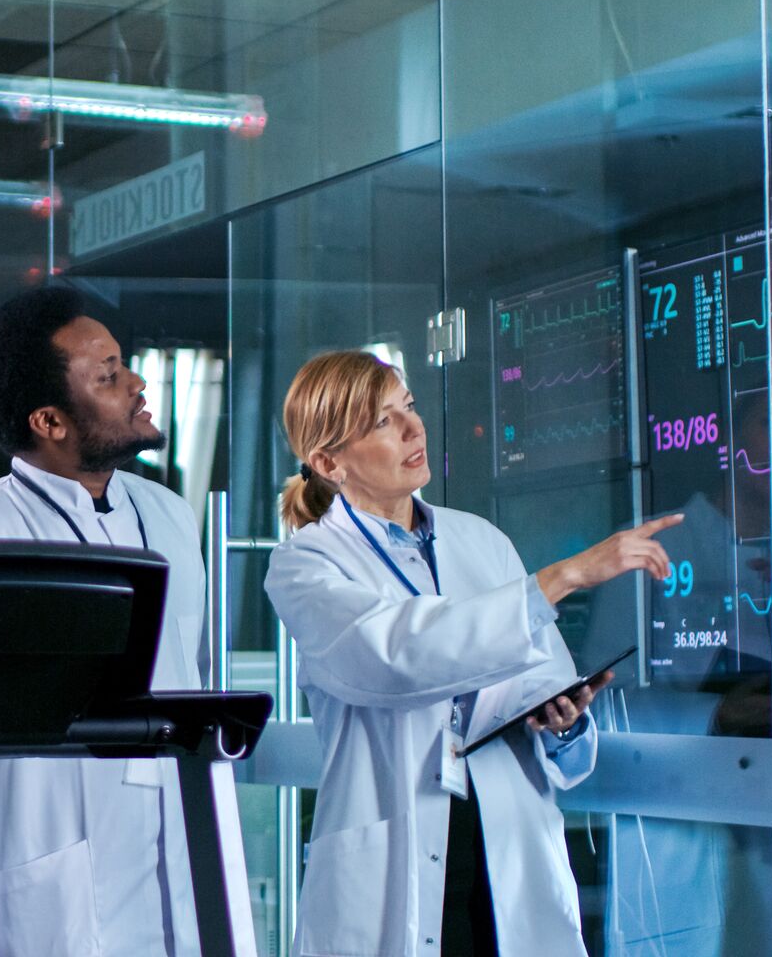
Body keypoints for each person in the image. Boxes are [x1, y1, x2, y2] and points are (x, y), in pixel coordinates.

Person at [263, 350, 681, 957]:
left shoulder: (481, 540)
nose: (413, 429)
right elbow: (395, 655)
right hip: (395, 864)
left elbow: (545, 678)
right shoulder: (306, 565)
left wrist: (562, 720)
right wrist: (564, 576)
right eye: (383, 422)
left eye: (408, 407)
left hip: (505, 846)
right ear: (329, 462)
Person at [0, 285, 211, 956]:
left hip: (176, 879)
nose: (135, 382)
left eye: (124, 364)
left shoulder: (171, 519)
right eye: (107, 375)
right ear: (49, 420)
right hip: (50, 898)